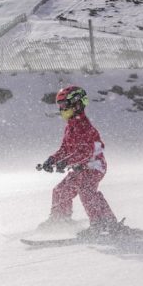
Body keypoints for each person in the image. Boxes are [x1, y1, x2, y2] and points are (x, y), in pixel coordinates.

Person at [38, 85, 125, 235]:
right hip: (79, 167)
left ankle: (104, 223)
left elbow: (86, 152)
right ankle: (60, 218)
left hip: (94, 166)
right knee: (60, 190)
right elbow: (65, 149)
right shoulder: (70, 126)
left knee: (86, 190)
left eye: (64, 105)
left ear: (77, 104)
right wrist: (51, 160)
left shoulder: (84, 126)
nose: (62, 110)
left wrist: (66, 162)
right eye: (60, 106)